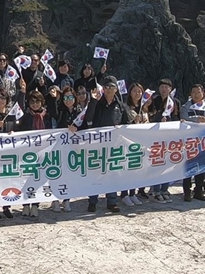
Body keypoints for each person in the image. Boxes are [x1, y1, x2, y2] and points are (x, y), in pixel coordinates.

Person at [81, 78, 129, 213]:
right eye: (106, 87)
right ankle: (92, 201)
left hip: (114, 146)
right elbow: (88, 118)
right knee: (96, 174)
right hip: (97, 145)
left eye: (111, 87)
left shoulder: (120, 106)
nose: (108, 89)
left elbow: (127, 124)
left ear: (116, 89)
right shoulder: (97, 103)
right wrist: (93, 101)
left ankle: (112, 201)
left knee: (113, 174)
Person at [0, 88, 23, 219]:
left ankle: (6, 206)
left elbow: (19, 129)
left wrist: (14, 133)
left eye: (2, 98)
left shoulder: (12, 115)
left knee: (8, 180)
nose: (0, 101)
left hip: (9, 155)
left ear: (7, 100)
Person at [18, 90, 53, 216]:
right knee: (27, 179)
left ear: (41, 102)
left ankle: (35, 205)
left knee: (38, 178)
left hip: (43, 151)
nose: (35, 104)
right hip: (27, 152)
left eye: (37, 101)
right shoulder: (25, 116)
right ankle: (26, 204)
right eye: (32, 101)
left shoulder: (46, 115)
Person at [47, 86, 80, 212]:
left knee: (69, 174)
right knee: (56, 174)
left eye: (70, 97)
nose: (68, 100)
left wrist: (77, 129)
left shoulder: (79, 111)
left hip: (73, 148)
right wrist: (52, 98)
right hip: (58, 147)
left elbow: (86, 124)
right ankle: (55, 200)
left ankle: (66, 200)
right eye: (65, 97)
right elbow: (53, 112)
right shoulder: (60, 110)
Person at [180, 84, 205, 201]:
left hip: (203, 141)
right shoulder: (186, 107)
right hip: (189, 142)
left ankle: (198, 191)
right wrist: (197, 120)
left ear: (202, 94)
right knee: (188, 167)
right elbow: (183, 120)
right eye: (194, 92)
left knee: (201, 168)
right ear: (190, 94)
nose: (196, 94)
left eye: (198, 92)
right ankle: (186, 191)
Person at [147, 78, 180, 203]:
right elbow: (150, 116)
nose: (164, 89)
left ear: (170, 89)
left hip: (170, 138)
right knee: (157, 164)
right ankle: (155, 190)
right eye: (162, 87)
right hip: (156, 137)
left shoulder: (175, 102)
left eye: (167, 87)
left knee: (168, 164)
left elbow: (177, 117)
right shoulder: (154, 100)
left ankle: (165, 188)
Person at [120, 83, 148, 207]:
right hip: (128, 143)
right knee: (127, 169)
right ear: (130, 92)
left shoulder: (143, 107)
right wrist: (133, 122)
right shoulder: (125, 107)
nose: (137, 94)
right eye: (135, 91)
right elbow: (124, 124)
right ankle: (124, 194)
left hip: (140, 142)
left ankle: (133, 193)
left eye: (139, 91)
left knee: (137, 169)